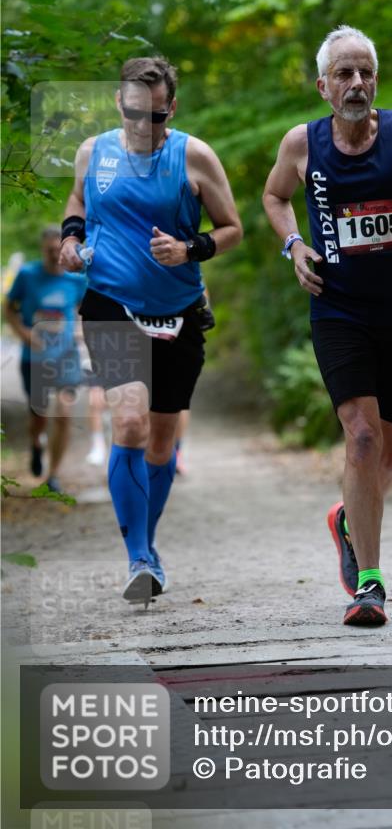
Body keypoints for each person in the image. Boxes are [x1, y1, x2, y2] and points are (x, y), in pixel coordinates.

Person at [263, 25, 392, 626]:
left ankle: (347, 520)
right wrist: (295, 246)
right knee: (361, 436)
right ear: (323, 85)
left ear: (375, 80)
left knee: (388, 456)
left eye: (365, 73)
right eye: (345, 74)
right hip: (337, 307)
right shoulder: (301, 144)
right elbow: (275, 198)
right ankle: (371, 585)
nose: (357, 84)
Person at [59, 55, 243, 604]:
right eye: (135, 113)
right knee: (131, 424)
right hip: (110, 303)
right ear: (119, 103)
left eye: (156, 115)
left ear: (172, 107)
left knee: (162, 442)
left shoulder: (194, 156)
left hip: (180, 310)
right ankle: (138, 558)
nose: (144, 125)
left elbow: (233, 229)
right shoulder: (94, 152)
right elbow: (77, 201)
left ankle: (148, 543)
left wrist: (190, 249)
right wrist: (71, 241)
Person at [4, 226, 86, 493]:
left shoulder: (76, 279)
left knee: (63, 412)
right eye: (49, 250)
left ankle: (54, 475)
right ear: (43, 249)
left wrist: (81, 331)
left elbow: (86, 309)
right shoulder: (27, 275)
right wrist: (23, 333)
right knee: (38, 414)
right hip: (34, 357)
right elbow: (8, 306)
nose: (53, 255)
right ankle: (36, 444)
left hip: (66, 355)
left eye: (57, 250)